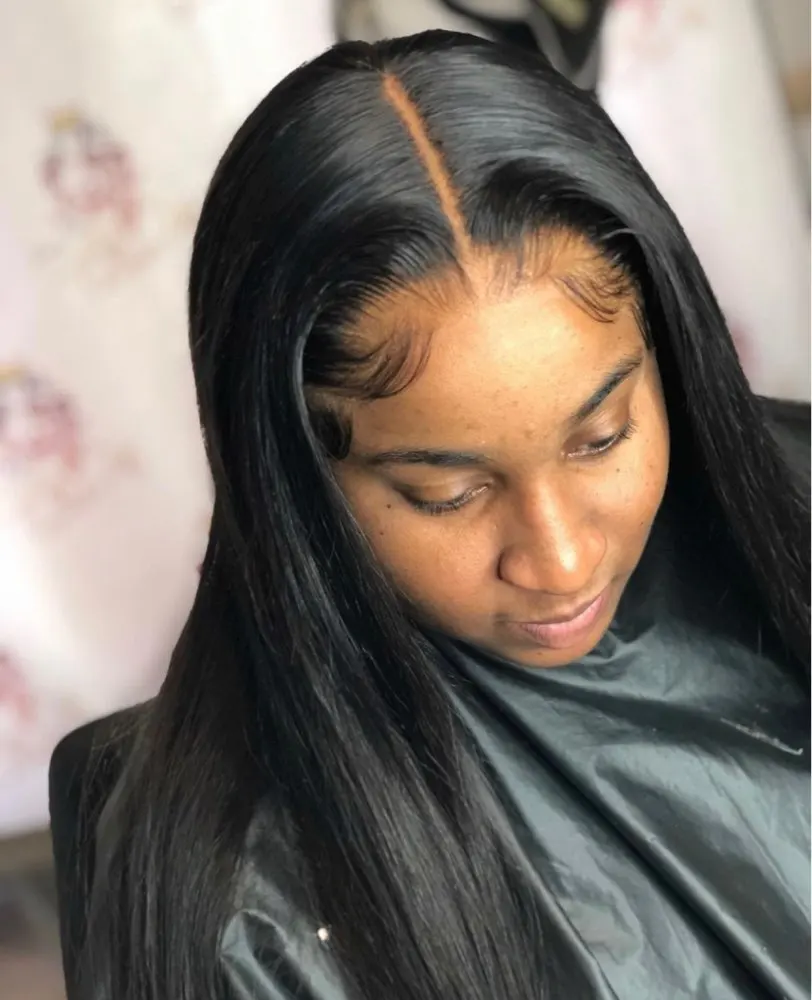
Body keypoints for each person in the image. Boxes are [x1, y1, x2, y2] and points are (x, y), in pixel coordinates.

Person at [49, 30, 810, 1000]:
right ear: (293, 475)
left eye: (601, 436)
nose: (561, 560)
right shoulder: (246, 919)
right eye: (445, 494)